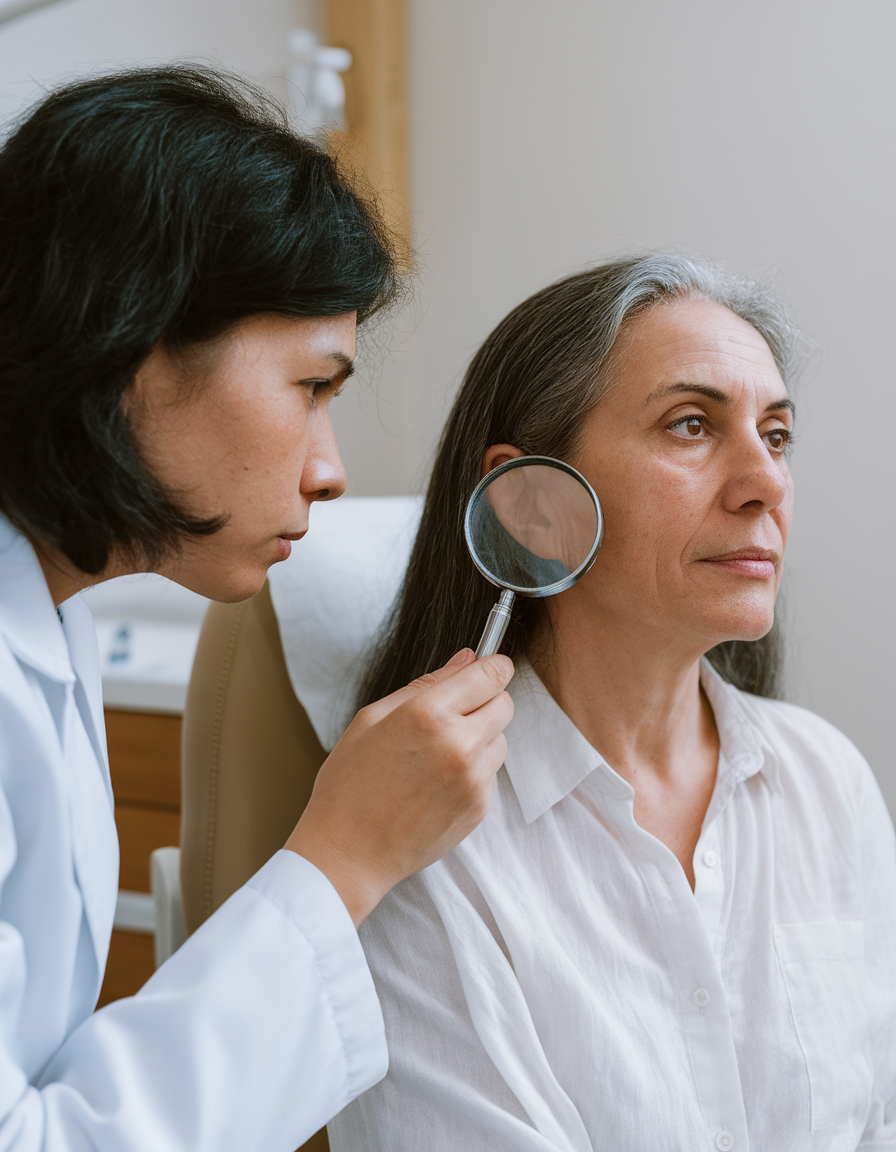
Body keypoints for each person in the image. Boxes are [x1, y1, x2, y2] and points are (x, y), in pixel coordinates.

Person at [0, 66, 514, 1151]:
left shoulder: (52, 616)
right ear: (131, 351)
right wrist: (344, 856)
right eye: (310, 388)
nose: (330, 472)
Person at [330, 254, 896, 1151]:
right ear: (533, 508)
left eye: (777, 435)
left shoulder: (831, 781)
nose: (767, 483)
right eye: (690, 424)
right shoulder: (420, 833)